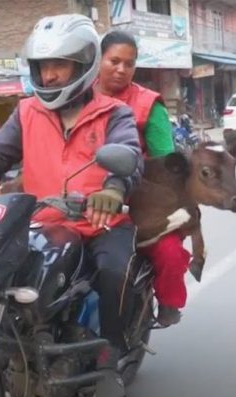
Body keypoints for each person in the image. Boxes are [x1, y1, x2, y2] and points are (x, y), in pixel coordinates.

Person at [0, 14, 143, 397]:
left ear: (81, 66)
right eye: (43, 67)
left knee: (115, 270)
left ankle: (112, 356)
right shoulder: (28, 111)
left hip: (98, 222)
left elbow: (130, 156)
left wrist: (113, 190)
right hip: (43, 222)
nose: (49, 77)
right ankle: (10, 347)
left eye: (58, 66)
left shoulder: (114, 113)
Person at [96, 29, 186, 327]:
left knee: (169, 252)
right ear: (98, 60)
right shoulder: (78, 97)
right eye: (114, 61)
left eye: (129, 63)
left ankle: (168, 301)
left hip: (136, 200)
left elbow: (165, 165)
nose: (121, 69)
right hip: (80, 197)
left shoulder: (148, 104)